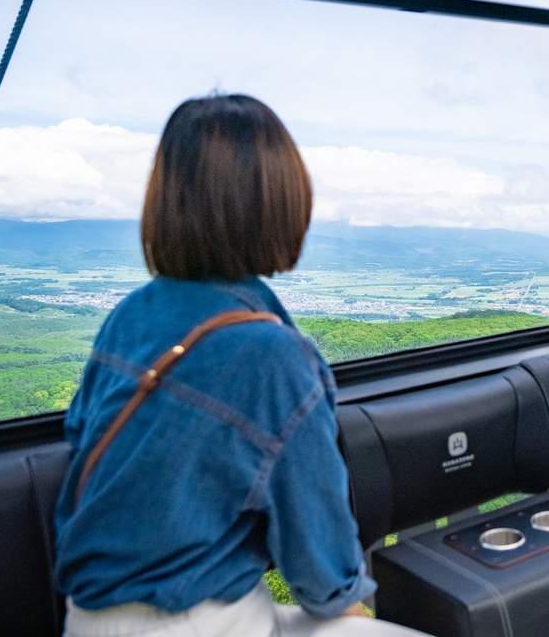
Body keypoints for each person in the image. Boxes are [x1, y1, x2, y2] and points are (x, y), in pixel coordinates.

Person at [54, 94, 427, 637]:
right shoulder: (274, 357)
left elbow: (81, 436)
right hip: (193, 621)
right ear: (282, 201)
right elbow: (320, 565)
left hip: (86, 618)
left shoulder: (130, 315)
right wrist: (354, 614)